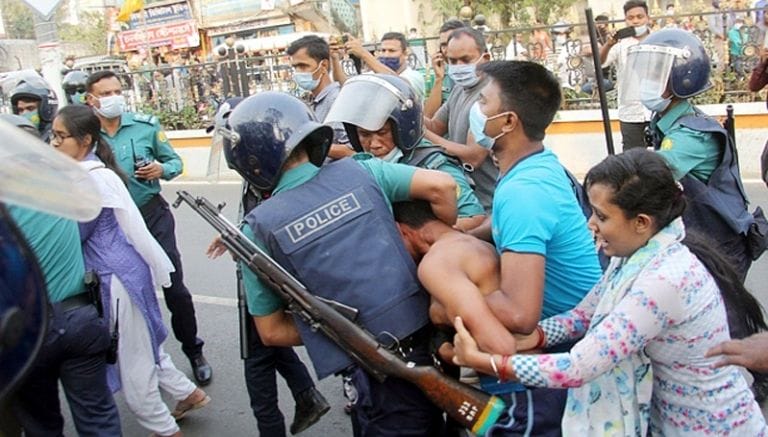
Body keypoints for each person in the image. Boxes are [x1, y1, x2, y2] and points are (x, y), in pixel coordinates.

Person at [452, 149, 768, 436]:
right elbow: (583, 315)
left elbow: (578, 367)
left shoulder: (663, 281)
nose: (591, 224)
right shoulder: (634, 257)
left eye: (602, 216)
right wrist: (536, 338)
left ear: (642, 222)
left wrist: (489, 362)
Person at [218, 91, 456, 435]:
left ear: (251, 161)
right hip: (432, 341)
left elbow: (270, 332)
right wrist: (440, 253)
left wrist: (341, 330)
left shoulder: (256, 230)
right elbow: (443, 187)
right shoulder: (363, 170)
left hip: (371, 373)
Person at [52, 104, 209, 437]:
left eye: (60, 136)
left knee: (133, 364)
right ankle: (187, 393)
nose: (53, 143)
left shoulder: (89, 180)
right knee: (142, 345)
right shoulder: (91, 173)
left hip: (114, 279)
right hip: (120, 274)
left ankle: (165, 428)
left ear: (84, 141)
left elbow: (76, 233)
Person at [468, 60, 603, 435]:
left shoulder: (523, 191)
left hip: (555, 354)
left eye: (483, 103)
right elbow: (500, 225)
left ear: (508, 121)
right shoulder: (540, 165)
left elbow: (520, 315)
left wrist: (456, 290)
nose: (475, 112)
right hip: (577, 337)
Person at [207, 98, 330, 436]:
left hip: (273, 281)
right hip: (258, 277)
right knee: (262, 350)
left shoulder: (273, 174)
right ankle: (306, 394)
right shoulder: (256, 174)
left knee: (258, 364)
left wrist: (247, 241)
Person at [85, 70, 212, 385]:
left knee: (174, 287)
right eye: (105, 93)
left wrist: (161, 168)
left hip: (152, 216)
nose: (113, 98)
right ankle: (135, 361)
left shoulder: (145, 127)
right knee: (119, 294)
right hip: (111, 226)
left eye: (117, 91)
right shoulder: (85, 135)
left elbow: (175, 163)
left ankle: (194, 351)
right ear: (91, 99)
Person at [624, 28, 763, 281]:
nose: (647, 80)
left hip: (720, 249)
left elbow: (652, 177)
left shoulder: (690, 135)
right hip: (698, 241)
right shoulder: (664, 121)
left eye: (656, 74)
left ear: (683, 79)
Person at [326, 73, 485, 231]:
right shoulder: (363, 164)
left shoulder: (433, 164)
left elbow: (473, 218)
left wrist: (426, 235)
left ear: (402, 129)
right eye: (364, 134)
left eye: (382, 133)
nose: (374, 144)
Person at [423, 27, 497, 211]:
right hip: (467, 200)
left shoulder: (492, 96)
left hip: (489, 205)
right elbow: (435, 127)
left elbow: (473, 157)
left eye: (465, 60)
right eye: (452, 61)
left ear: (485, 59)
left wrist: (421, 131)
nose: (458, 67)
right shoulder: (459, 89)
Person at [286, 35, 353, 161]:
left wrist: (308, 144)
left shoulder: (336, 100)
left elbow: (352, 150)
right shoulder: (309, 101)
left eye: (303, 66)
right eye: (295, 67)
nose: (298, 72)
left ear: (323, 66)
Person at [599, 0, 653, 151]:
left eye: (639, 16)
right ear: (626, 20)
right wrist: (609, 44)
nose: (635, 21)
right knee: (632, 159)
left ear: (648, 18)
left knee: (662, 157)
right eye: (631, 18)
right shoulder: (620, 44)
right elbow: (601, 63)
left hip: (658, 109)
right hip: (631, 113)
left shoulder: (659, 40)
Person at [343, 32, 426, 101]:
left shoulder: (415, 76)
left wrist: (364, 54)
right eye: (383, 50)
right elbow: (347, 86)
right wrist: (334, 58)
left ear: (405, 53)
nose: (386, 55)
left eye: (392, 51)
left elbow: (399, 84)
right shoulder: (374, 74)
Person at [424, 19, 466, 118]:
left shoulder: (475, 71)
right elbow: (428, 116)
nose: (447, 49)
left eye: (452, 42)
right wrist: (439, 79)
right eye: (443, 45)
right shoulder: (437, 74)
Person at [10, 75, 58, 142]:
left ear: (46, 109)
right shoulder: (19, 140)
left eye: (30, 108)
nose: (24, 114)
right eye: (20, 110)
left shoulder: (58, 139)